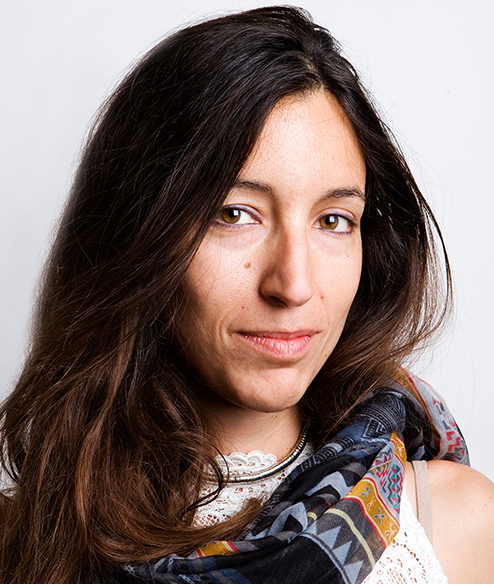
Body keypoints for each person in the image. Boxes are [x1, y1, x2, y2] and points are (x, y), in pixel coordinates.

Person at [0, 6, 493, 584]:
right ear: (139, 232)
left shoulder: (455, 526)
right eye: (235, 214)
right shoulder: (21, 537)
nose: (293, 285)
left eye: (333, 221)